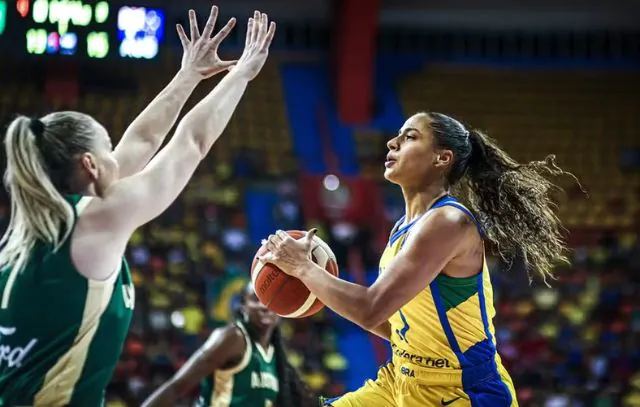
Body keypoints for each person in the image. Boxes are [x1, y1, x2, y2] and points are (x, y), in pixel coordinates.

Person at [0, 7, 275, 406]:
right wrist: (243, 72)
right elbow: (192, 142)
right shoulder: (95, 222)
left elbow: (142, 141)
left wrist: (189, 75)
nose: (120, 154)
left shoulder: (29, 231)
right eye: (108, 148)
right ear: (89, 165)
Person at [261, 112, 574, 406]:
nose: (391, 143)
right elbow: (393, 323)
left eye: (409, 137)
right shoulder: (403, 227)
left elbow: (371, 309)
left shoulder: (448, 222)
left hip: (460, 390)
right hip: (403, 376)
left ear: (442, 158)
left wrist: (303, 269)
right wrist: (314, 279)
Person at [142, 282, 316, 407]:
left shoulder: (275, 355)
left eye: (272, 300)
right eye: (256, 299)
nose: (265, 306)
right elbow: (177, 386)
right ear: (243, 306)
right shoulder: (233, 338)